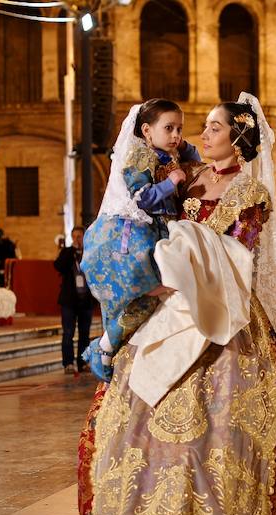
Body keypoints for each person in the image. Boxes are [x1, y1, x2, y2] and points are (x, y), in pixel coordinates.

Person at [78, 94, 276, 515]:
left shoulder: (249, 192)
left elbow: (236, 257)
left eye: (215, 128)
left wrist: (181, 262)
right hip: (169, 302)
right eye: (202, 126)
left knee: (221, 426)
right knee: (143, 415)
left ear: (238, 138)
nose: (203, 135)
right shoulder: (187, 177)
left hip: (219, 315)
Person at [80, 99, 201, 382]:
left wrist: (181, 147)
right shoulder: (139, 156)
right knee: (150, 298)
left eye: (179, 129)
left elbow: (193, 157)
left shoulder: (164, 154)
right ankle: (104, 347)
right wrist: (170, 183)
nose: (176, 135)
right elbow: (140, 198)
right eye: (169, 128)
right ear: (147, 130)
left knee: (164, 299)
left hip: (165, 233)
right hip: (141, 237)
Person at [54, 226, 94, 374]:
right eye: (74, 236)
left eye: (79, 236)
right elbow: (58, 266)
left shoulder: (89, 252)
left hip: (85, 300)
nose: (77, 239)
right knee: (68, 333)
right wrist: (71, 252)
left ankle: (83, 362)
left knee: (84, 334)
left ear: (84, 237)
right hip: (69, 300)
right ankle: (68, 363)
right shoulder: (67, 252)